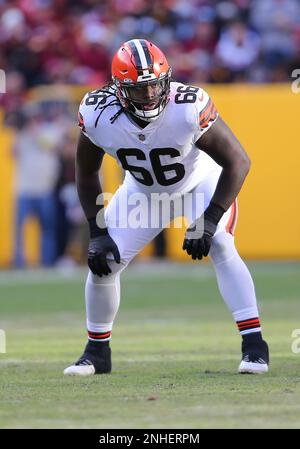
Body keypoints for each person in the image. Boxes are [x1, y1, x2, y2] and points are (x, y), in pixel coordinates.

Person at [64, 39, 269, 376]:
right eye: (140, 89)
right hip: (142, 193)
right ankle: (97, 353)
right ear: (119, 89)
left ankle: (254, 347)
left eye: (156, 86)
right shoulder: (97, 113)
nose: (150, 96)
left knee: (220, 243)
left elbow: (238, 161)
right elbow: (86, 172)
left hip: (198, 184)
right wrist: (97, 231)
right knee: (104, 262)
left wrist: (210, 218)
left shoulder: (188, 106)